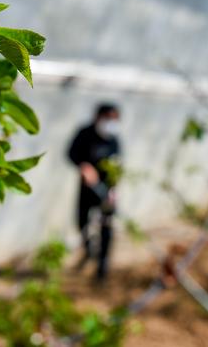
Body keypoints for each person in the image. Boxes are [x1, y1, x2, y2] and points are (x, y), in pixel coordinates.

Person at [67, 103, 121, 281]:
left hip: (106, 190)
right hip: (87, 188)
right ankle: (89, 248)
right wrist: (83, 166)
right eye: (108, 119)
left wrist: (113, 189)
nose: (111, 123)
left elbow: (117, 166)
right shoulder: (85, 134)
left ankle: (102, 265)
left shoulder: (114, 140)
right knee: (82, 221)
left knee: (106, 225)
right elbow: (71, 153)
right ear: (98, 117)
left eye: (114, 119)